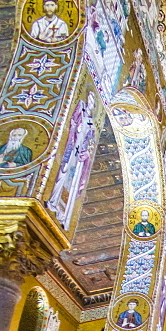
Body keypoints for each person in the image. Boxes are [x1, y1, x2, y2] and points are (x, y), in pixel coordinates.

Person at [47, 93, 97, 230]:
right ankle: (53, 201)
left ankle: (64, 216)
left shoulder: (91, 124)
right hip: (72, 149)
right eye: (89, 101)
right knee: (62, 173)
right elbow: (73, 124)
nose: (90, 104)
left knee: (72, 185)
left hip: (78, 158)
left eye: (93, 103)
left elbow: (91, 143)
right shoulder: (79, 113)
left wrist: (86, 151)